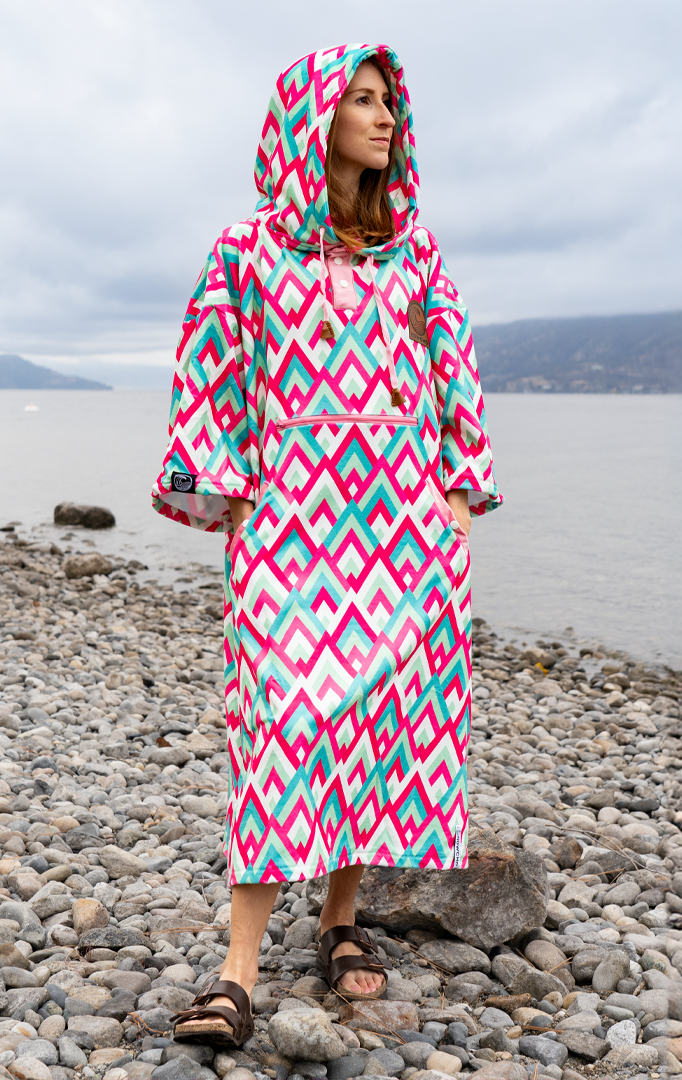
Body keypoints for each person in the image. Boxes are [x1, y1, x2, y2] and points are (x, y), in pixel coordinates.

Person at [152, 43, 501, 1047]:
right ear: (313, 117)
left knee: (375, 716)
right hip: (289, 517)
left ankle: (341, 921)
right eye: (359, 100)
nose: (382, 117)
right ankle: (238, 970)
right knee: (283, 721)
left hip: (401, 520)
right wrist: (221, 490)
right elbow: (209, 362)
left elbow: (454, 362)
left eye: (388, 101)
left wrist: (462, 492)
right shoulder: (247, 247)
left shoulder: (414, 249)